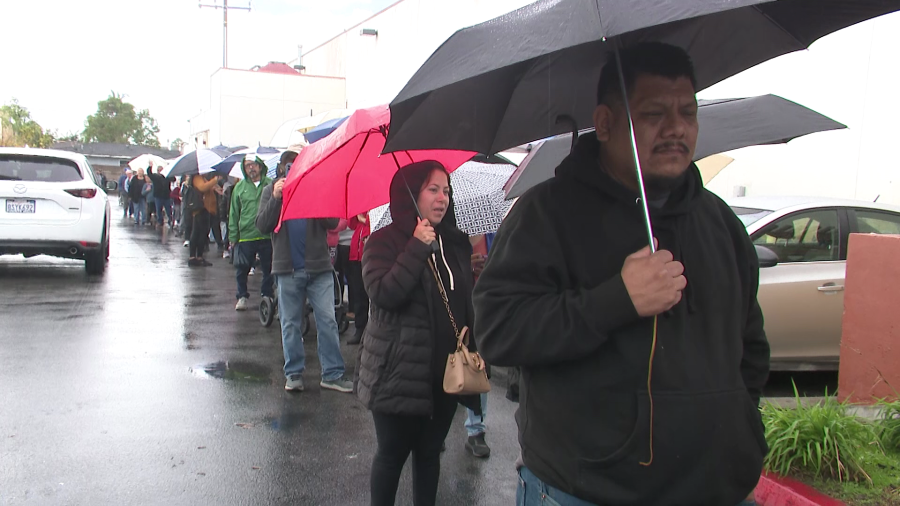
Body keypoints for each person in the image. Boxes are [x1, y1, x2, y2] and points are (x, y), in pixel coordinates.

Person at [472, 42, 769, 506]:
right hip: (586, 491)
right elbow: (499, 331)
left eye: (688, 113)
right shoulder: (547, 215)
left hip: (718, 490)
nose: (676, 129)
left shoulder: (722, 224)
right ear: (606, 122)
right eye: (654, 114)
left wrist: (737, 424)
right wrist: (615, 300)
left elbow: (749, 349)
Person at [357, 161, 482, 506]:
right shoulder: (382, 243)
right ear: (409, 194)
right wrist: (415, 247)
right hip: (398, 373)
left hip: (445, 374)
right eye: (433, 190)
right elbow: (384, 294)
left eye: (446, 190)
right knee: (392, 455)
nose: (443, 198)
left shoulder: (454, 242)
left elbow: (464, 302)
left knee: (429, 455)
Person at [255, 150, 353, 394]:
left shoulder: (316, 186)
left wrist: (317, 194)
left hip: (319, 268)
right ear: (280, 169)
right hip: (287, 269)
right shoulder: (270, 191)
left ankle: (332, 374)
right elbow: (262, 225)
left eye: (296, 165)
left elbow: (332, 222)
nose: (292, 170)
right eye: (287, 166)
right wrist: (277, 197)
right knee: (290, 324)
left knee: (328, 321)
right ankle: (294, 374)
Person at [228, 155, 274, 310]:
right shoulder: (239, 188)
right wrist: (233, 236)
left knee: (269, 268)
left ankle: (267, 295)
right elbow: (234, 213)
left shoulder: (270, 184)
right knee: (242, 268)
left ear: (260, 166)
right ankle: (242, 296)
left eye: (254, 165)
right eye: (248, 166)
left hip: (267, 234)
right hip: (246, 235)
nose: (251, 168)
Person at [345, 212, 370, 345]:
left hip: (369, 254)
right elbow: (351, 224)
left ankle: (369, 330)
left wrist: (364, 219)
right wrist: (356, 213)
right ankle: (359, 329)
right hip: (356, 254)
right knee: (358, 293)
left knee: (368, 294)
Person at [188, 172, 219, 267]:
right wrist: (214, 180)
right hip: (202, 210)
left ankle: (196, 257)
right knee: (200, 233)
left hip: (206, 210)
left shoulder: (202, 178)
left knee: (199, 233)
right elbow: (202, 187)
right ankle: (196, 257)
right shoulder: (197, 177)